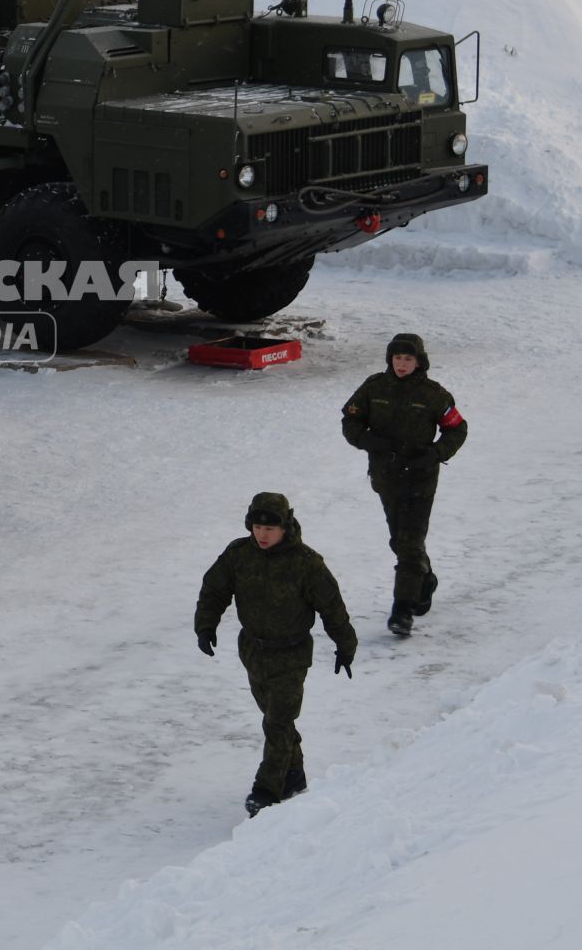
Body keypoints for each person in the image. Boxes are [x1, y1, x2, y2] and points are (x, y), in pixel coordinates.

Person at [195, 491, 358, 817]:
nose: (262, 534)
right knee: (278, 722)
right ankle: (293, 775)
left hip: (291, 656)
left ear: (285, 526)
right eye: (256, 527)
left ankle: (266, 790)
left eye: (269, 528)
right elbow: (215, 589)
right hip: (253, 651)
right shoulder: (239, 554)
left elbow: (332, 607)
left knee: (277, 723)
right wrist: (205, 625)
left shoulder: (306, 563)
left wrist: (345, 644)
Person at [341, 333, 469, 636]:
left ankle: (403, 610)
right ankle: (424, 579)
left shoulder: (433, 395)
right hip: (386, 478)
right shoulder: (374, 387)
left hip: (420, 480)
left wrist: (436, 453)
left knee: (409, 544)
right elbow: (350, 420)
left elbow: (457, 429)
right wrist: (368, 440)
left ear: (419, 361)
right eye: (397, 358)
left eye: (408, 359)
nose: (401, 364)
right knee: (401, 541)